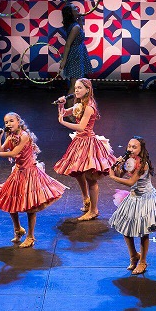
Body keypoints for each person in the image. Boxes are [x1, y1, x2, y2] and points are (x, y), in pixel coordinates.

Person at [0, 112, 68, 248]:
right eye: (6, 122)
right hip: (18, 172)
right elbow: (1, 149)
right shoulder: (11, 136)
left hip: (29, 173)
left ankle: (30, 236)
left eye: (11, 121)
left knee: (30, 206)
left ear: (18, 122)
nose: (8, 124)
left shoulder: (24, 135)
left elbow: (13, 153)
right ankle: (18, 229)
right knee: (10, 201)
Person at [108, 136, 156, 274]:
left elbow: (131, 182)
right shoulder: (129, 160)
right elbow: (121, 174)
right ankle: (133, 256)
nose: (130, 149)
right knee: (126, 229)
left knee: (143, 231)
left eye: (134, 147)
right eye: (129, 146)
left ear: (141, 149)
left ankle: (142, 262)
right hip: (133, 198)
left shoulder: (142, 164)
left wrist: (113, 177)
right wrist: (116, 166)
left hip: (145, 199)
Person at [54, 78, 116, 221]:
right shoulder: (80, 103)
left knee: (91, 178)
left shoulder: (89, 107)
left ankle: (94, 210)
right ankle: (86, 200)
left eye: (80, 88)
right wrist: (61, 105)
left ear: (87, 90)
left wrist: (62, 122)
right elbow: (65, 113)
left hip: (88, 142)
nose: (76, 90)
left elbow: (81, 127)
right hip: (79, 142)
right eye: (75, 87)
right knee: (78, 173)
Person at [59, 3, 93, 109]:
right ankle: (69, 111)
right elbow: (68, 44)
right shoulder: (75, 27)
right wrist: (64, 60)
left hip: (78, 54)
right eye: (74, 9)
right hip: (75, 56)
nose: (77, 9)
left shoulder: (75, 25)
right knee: (74, 86)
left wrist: (80, 20)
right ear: (70, 13)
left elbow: (81, 35)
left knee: (76, 84)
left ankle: (72, 110)